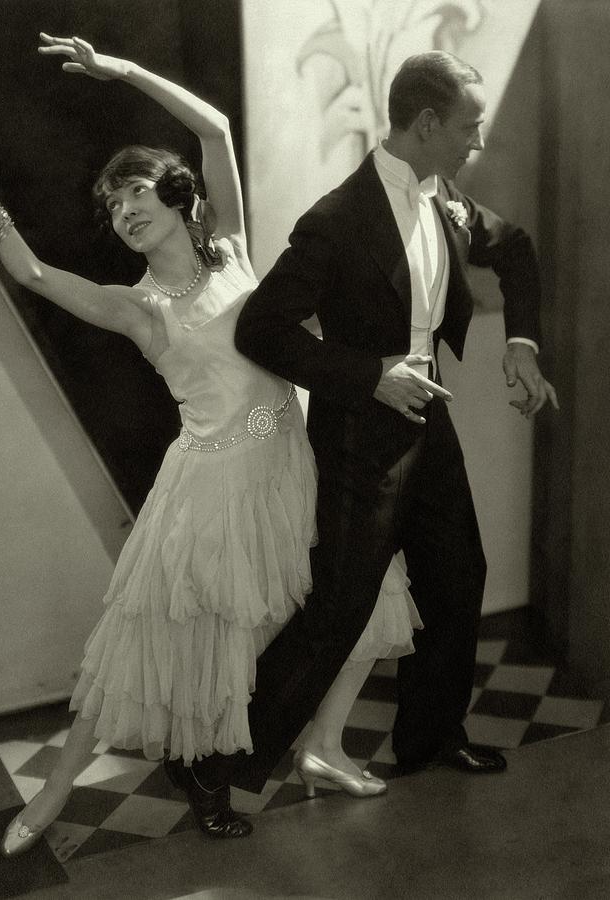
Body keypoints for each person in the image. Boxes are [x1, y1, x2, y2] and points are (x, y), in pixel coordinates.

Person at [0, 35, 422, 850]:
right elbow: (32, 273)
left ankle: (322, 746)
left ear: (176, 195)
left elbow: (213, 131)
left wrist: (123, 71)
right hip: (211, 491)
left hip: (290, 466)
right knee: (167, 649)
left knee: (362, 596)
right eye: (111, 208)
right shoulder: (136, 307)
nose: (124, 212)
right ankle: (55, 796)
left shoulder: (239, 253)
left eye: (134, 193)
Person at [184, 50, 559, 797]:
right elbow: (263, 329)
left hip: (431, 423)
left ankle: (428, 739)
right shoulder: (335, 221)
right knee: (339, 606)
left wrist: (521, 343)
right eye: (468, 127)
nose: (475, 141)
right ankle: (212, 768)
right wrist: (368, 378)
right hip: (363, 433)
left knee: (459, 579)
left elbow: (513, 249)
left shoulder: (442, 193)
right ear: (425, 123)